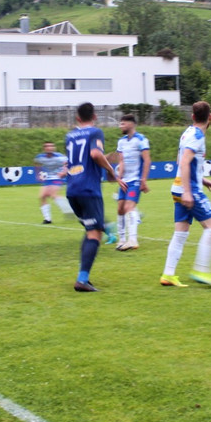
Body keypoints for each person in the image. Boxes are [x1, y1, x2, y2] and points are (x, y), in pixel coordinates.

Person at [161, 100, 211, 287]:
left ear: (192, 116)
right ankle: (201, 270)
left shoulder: (187, 133)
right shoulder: (197, 136)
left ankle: (168, 275)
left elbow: (179, 159)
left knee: (180, 233)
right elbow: (184, 161)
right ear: (210, 117)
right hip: (189, 190)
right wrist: (189, 191)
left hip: (178, 187)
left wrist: (202, 179)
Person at [66, 103, 124, 292]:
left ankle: (83, 277)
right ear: (95, 116)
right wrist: (111, 171)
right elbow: (95, 154)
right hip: (88, 188)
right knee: (94, 233)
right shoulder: (95, 132)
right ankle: (82, 280)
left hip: (72, 189)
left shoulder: (70, 135)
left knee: (91, 230)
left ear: (78, 118)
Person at [113, 114, 150, 251]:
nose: (120, 126)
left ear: (131, 124)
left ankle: (133, 240)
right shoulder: (121, 142)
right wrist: (119, 178)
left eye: (123, 123)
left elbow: (147, 160)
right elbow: (121, 161)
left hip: (135, 180)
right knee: (120, 209)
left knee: (129, 207)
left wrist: (143, 179)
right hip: (124, 181)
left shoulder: (141, 140)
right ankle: (122, 239)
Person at [34, 141, 72, 223]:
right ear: (44, 148)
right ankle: (47, 219)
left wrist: (64, 172)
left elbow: (68, 164)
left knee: (53, 195)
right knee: (42, 196)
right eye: (47, 146)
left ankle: (70, 209)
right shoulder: (40, 157)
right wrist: (38, 174)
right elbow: (37, 164)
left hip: (57, 177)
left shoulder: (60, 156)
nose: (50, 148)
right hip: (48, 179)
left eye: (51, 146)